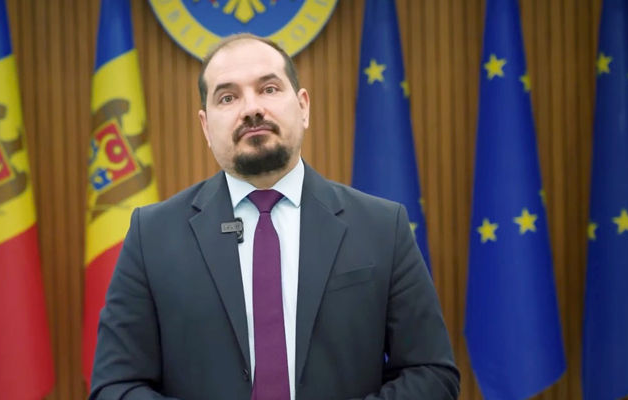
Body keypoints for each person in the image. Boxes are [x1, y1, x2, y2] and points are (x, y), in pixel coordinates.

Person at [89, 33, 459, 400]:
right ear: (205, 126)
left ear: (303, 106)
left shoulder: (382, 227)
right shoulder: (152, 236)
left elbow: (432, 373)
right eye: (228, 97)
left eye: (268, 89)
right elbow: (114, 386)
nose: (251, 109)